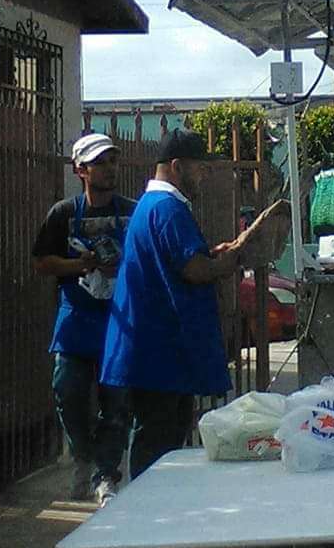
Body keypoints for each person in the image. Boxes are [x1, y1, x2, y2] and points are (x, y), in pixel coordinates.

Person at [101, 128, 291, 479]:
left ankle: (156, 510)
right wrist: (235, 257)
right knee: (159, 444)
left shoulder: (154, 206)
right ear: (176, 166)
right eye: (199, 167)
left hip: (158, 350)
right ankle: (150, 515)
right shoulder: (168, 208)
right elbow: (195, 269)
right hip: (161, 351)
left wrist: (217, 254)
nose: (204, 174)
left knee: (162, 438)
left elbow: (182, 261)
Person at [33, 133, 135, 506]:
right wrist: (83, 264)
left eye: (112, 161)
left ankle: (106, 474)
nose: (108, 169)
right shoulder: (63, 214)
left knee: (117, 400)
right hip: (77, 317)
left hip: (119, 319)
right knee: (69, 391)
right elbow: (42, 261)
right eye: (99, 162)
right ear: (81, 170)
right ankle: (84, 454)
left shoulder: (133, 210)